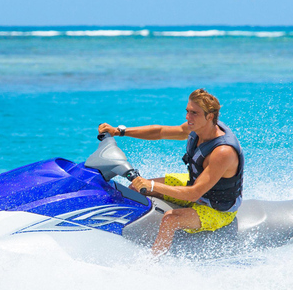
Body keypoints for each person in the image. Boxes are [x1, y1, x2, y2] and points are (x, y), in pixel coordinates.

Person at [98, 89, 244, 255]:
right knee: (135, 188)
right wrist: (120, 131)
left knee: (170, 219)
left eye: (194, 113)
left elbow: (193, 194)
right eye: (187, 111)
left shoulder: (223, 152)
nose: (188, 117)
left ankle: (154, 264)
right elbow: (160, 132)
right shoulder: (198, 128)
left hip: (216, 208)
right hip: (194, 184)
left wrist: (151, 185)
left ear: (210, 116)